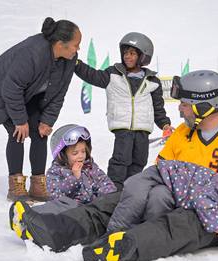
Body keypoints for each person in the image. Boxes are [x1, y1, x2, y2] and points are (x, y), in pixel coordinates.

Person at [9, 70, 218, 260]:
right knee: (122, 198)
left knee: (182, 222)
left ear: (204, 106)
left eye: (185, 105)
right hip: (174, 196)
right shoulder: (182, 134)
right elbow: (158, 175)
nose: (180, 110)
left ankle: (124, 247)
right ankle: (54, 230)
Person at [0, 17, 81, 202]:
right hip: (1, 87)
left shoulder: (70, 59)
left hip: (31, 91)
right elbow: (11, 89)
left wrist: (47, 121)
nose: (78, 49)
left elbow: (59, 93)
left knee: (40, 131)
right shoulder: (32, 54)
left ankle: (38, 185)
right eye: (76, 45)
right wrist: (20, 121)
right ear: (61, 44)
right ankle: (16, 185)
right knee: (17, 132)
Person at [74, 32, 172, 190]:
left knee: (139, 160)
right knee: (121, 159)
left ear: (143, 56)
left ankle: (130, 191)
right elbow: (92, 76)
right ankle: (113, 191)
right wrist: (76, 63)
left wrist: (165, 124)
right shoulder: (113, 74)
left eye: (132, 53)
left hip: (143, 129)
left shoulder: (152, 81)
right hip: (123, 127)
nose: (127, 56)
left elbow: (158, 106)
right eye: (125, 53)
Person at [13, 124, 116, 222]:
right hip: (69, 212)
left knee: (111, 201)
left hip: (90, 211)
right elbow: (55, 196)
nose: (80, 156)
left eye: (83, 151)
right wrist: (75, 178)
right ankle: (26, 217)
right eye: (75, 153)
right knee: (60, 207)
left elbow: (104, 182)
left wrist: (106, 198)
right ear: (62, 155)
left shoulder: (90, 167)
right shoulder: (55, 172)